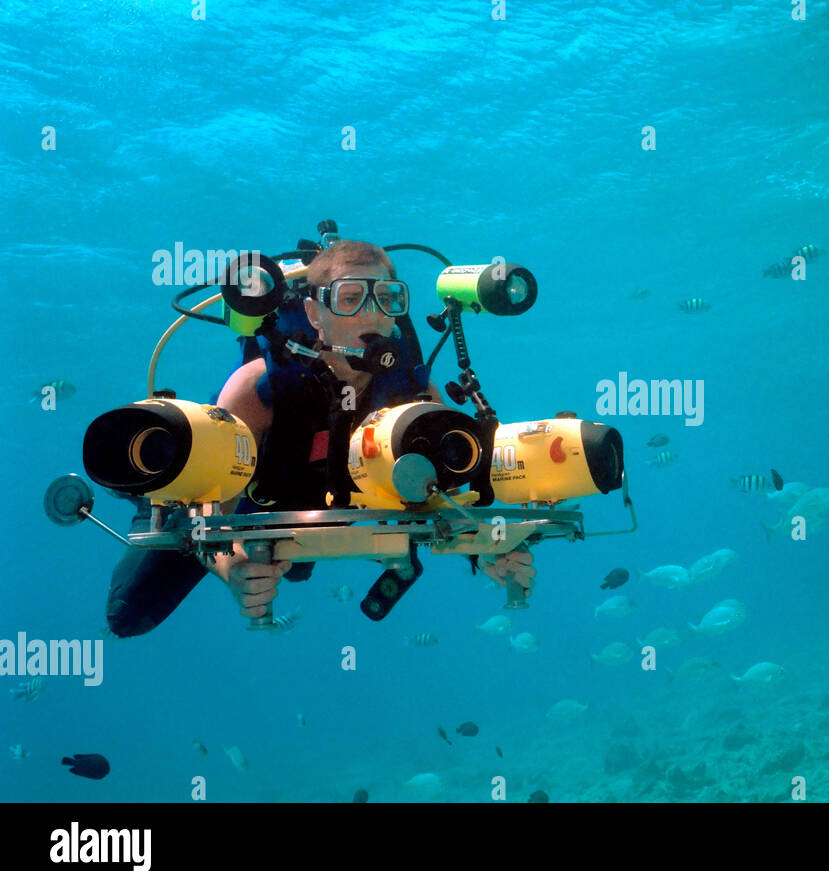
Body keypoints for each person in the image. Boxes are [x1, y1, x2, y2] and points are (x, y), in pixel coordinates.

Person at [105, 240, 534, 636]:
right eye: (351, 298)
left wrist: (491, 551)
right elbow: (210, 513)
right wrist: (231, 566)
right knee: (128, 615)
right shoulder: (259, 389)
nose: (372, 314)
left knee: (295, 568)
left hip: (322, 514)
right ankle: (145, 493)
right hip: (244, 507)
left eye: (386, 299)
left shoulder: (414, 394)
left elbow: (449, 498)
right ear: (314, 314)